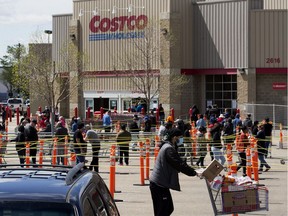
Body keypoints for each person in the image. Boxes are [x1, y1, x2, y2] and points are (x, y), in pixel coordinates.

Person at [149, 128, 198, 216]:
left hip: (160, 183)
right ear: (174, 137)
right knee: (163, 210)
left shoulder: (168, 146)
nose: (181, 140)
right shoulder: (168, 149)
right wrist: (194, 172)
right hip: (158, 184)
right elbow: (178, 164)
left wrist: (193, 171)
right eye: (180, 137)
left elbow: (179, 163)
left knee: (167, 208)